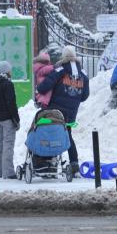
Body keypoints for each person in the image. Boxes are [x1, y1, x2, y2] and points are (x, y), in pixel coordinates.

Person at [37, 45, 89, 174]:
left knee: (51, 134)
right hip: (72, 113)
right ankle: (74, 162)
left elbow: (43, 88)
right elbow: (85, 96)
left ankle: (50, 163)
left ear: (63, 57)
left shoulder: (60, 70)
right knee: (68, 135)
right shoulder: (83, 73)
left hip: (55, 111)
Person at [0, 61, 20, 179]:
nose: (11, 72)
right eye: (10, 70)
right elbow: (11, 103)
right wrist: (16, 119)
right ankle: (9, 172)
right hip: (7, 119)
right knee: (8, 144)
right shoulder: (7, 84)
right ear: (6, 71)